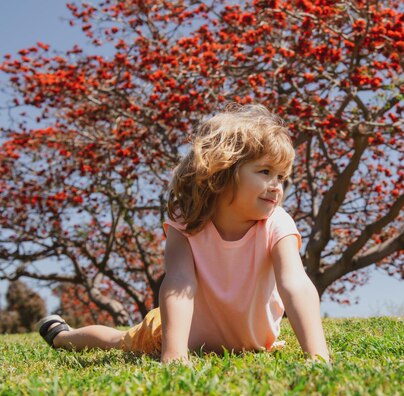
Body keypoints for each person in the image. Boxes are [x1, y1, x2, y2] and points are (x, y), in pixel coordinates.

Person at [37, 104, 330, 364]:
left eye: (281, 176)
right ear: (222, 172)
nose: (276, 185)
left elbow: (296, 284)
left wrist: (317, 357)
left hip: (252, 343)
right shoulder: (188, 223)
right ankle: (64, 337)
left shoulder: (278, 223)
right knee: (119, 341)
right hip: (175, 333)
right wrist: (175, 353)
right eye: (264, 171)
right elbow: (179, 283)